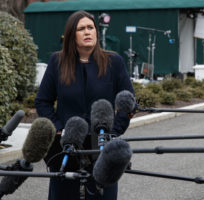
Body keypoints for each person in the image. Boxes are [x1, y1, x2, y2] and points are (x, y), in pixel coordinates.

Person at [35, 10, 134, 200]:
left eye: (91, 28)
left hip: (102, 147)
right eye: (81, 29)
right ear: (72, 35)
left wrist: (115, 130)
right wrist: (59, 129)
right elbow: (43, 101)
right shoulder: (57, 61)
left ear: (97, 32)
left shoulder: (114, 61)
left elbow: (127, 101)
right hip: (67, 145)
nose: (88, 32)